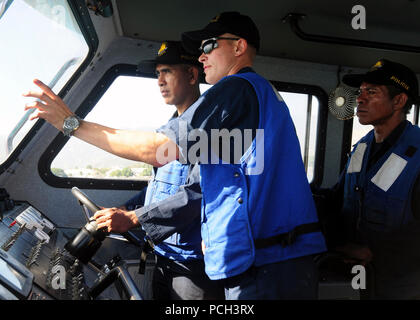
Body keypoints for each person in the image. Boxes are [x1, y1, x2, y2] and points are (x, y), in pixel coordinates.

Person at [23, 12, 327, 300]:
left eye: (209, 45)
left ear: (239, 46)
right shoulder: (252, 97)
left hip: (269, 266)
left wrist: (71, 124)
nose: (202, 55)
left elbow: (158, 152)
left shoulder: (237, 89)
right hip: (272, 261)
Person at [318, 59, 420, 299]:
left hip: (402, 285)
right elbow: (339, 197)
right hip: (358, 275)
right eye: (361, 91)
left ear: (399, 101)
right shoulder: (362, 147)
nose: (360, 99)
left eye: (371, 92)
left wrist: (373, 254)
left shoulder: (417, 153)